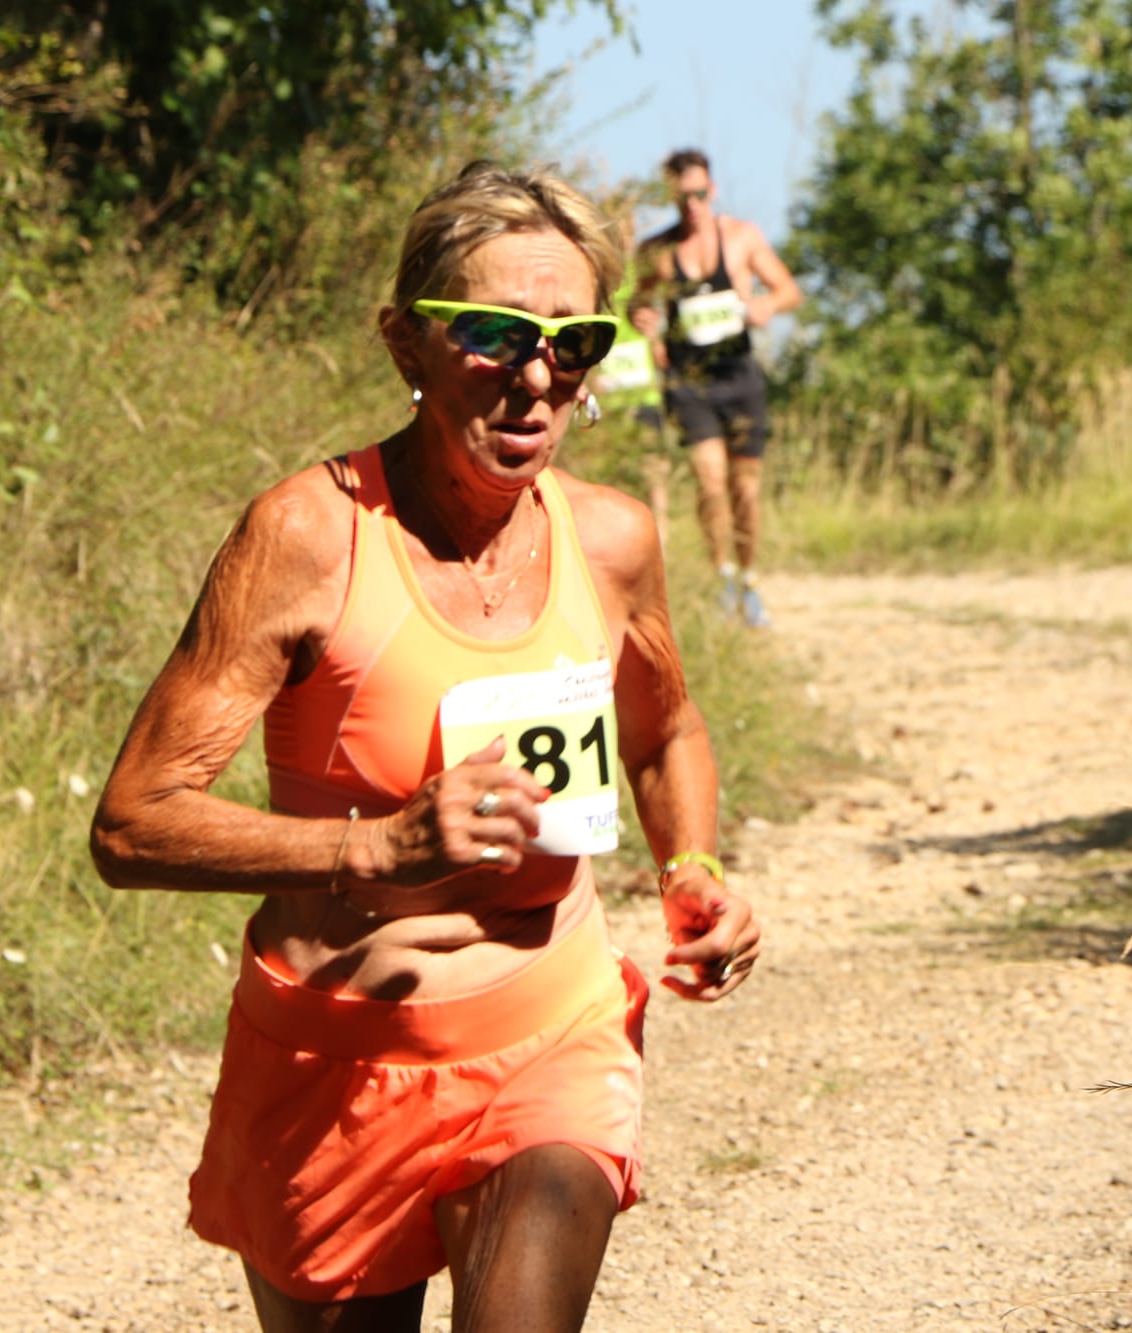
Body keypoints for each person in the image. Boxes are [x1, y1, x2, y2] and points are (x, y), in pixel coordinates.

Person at [89, 160, 761, 1333]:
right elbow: (132, 821)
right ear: (405, 344)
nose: (536, 377)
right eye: (496, 335)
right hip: (332, 1058)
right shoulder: (307, 534)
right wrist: (383, 843)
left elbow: (662, 731)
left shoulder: (609, 539)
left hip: (550, 1026)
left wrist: (691, 872)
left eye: (574, 341)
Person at [633, 147, 802, 629]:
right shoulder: (657, 251)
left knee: (745, 489)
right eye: (682, 196)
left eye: (700, 194)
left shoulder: (743, 238)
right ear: (671, 195)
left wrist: (768, 306)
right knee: (709, 482)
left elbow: (788, 290)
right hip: (690, 382)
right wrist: (643, 320)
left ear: (714, 190)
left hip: (739, 377)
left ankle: (749, 580)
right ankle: (722, 576)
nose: (692, 204)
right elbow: (640, 304)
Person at [589, 206, 673, 541]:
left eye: (625, 229)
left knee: (654, 477)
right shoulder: (592, 279)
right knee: (609, 480)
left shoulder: (646, 278)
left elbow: (665, 352)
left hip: (643, 395)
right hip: (607, 398)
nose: (621, 237)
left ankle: (660, 550)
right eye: (612, 228)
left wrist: (655, 337)